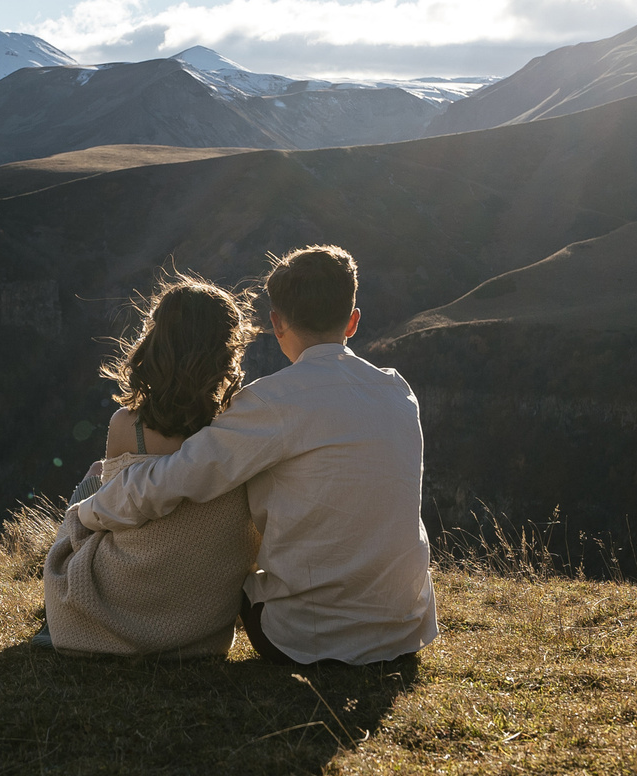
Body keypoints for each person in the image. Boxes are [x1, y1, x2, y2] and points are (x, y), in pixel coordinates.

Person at [69, 244, 437, 668]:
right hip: (407, 629)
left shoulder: (272, 402)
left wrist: (89, 512)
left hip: (304, 640)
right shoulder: (398, 391)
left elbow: (173, 479)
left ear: (277, 324)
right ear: (352, 322)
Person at [40, 276, 261, 658]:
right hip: (198, 628)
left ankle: (60, 611)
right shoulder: (243, 427)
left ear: (156, 342)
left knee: (95, 479)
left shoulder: (128, 426)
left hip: (120, 607)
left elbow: (113, 514)